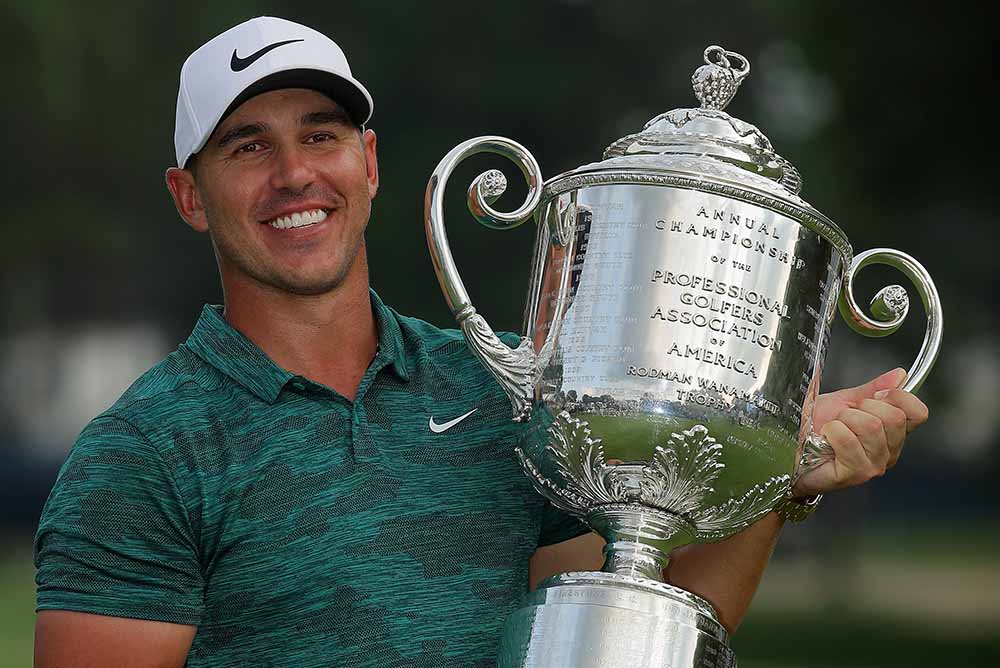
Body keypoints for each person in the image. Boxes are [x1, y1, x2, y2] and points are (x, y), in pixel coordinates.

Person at [32, 16, 929, 668]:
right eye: (246, 147)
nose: (295, 173)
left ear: (370, 164)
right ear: (190, 197)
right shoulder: (142, 454)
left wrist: (779, 471)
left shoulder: (506, 386)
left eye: (321, 135)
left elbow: (641, 624)